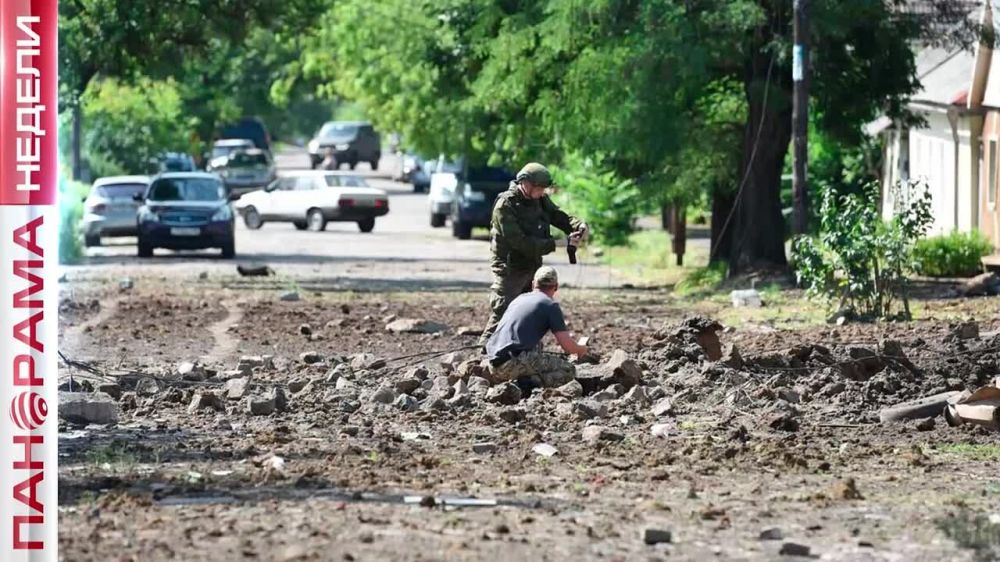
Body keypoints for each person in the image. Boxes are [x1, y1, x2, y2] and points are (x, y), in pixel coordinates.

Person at [480, 162, 588, 345]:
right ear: (526, 184)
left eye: (543, 189)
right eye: (539, 188)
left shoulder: (539, 199)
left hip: (532, 264)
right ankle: (482, 354)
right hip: (509, 267)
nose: (542, 192)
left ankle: (524, 353)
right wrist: (559, 243)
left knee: (529, 312)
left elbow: (557, 215)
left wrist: (578, 225)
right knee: (504, 311)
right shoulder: (505, 205)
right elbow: (520, 242)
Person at [485, 266, 588, 388]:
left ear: (533, 284)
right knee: (569, 370)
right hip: (511, 364)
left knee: (538, 347)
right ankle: (528, 384)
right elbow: (569, 348)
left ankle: (519, 378)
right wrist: (581, 350)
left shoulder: (519, 299)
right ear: (556, 287)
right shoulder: (550, 305)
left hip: (493, 362)